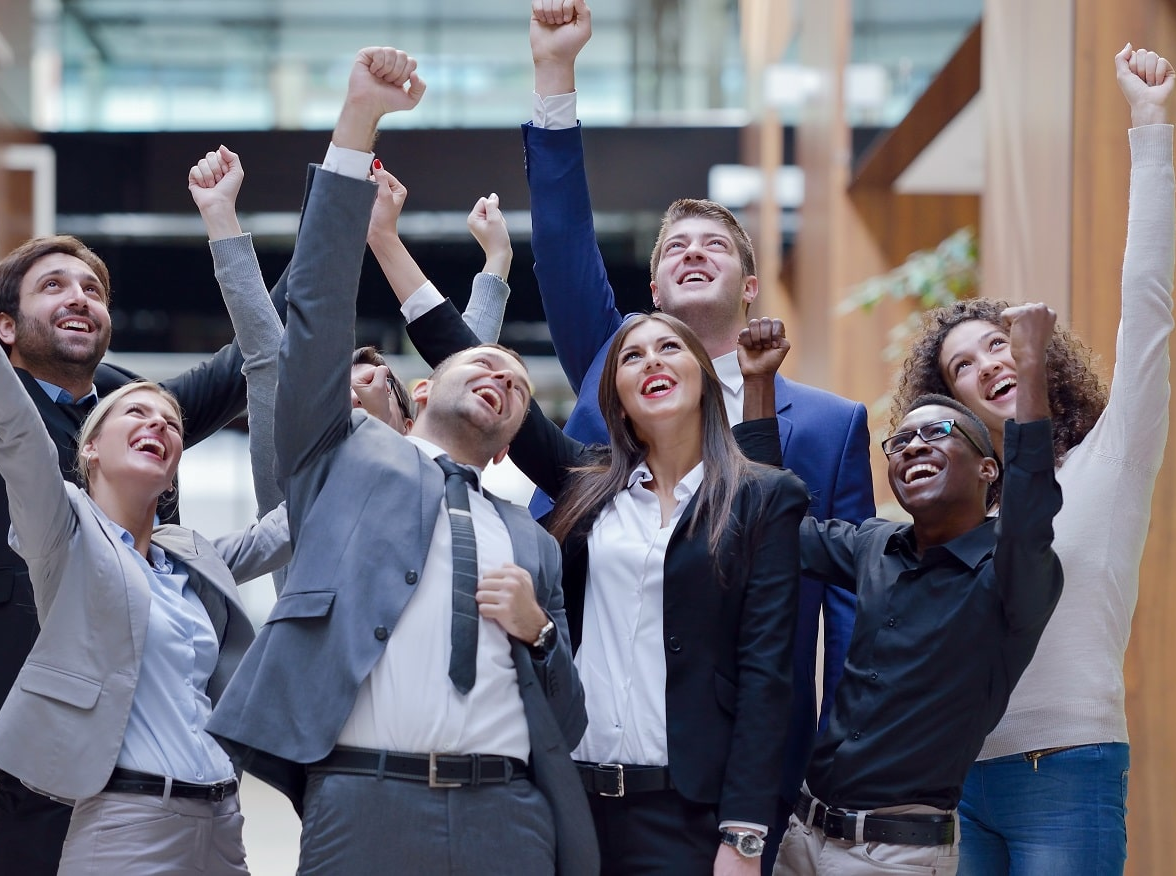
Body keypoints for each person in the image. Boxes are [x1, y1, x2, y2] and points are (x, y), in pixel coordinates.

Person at [203, 48, 596, 876]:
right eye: (481, 363)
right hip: (361, 803)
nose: (499, 374)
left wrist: (542, 631)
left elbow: (567, 720)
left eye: (520, 386)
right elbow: (309, 316)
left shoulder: (533, 545)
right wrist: (357, 124)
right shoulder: (337, 458)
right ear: (421, 392)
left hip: (509, 813)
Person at [0, 40, 253, 874]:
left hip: (169, 753)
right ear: (2, 327)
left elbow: (260, 356)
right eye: (53, 287)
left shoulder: (138, 413)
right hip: (43, 735)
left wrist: (339, 185)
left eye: (93, 291)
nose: (79, 297)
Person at [524, 4, 875, 855]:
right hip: (582, 756)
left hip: (744, 780)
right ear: (646, 298)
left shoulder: (829, 427)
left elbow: (851, 617)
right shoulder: (612, 382)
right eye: (673, 246)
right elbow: (566, 243)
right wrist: (555, 77)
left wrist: (828, 772)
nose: (690, 252)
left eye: (713, 245)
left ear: (750, 285)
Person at [402, 282, 807, 873]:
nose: (651, 363)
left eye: (669, 348)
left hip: (688, 812)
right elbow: (475, 364)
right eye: (632, 357)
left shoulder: (763, 499)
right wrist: (387, 240)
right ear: (617, 394)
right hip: (569, 802)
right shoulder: (586, 488)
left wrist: (744, 834)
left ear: (704, 378)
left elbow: (767, 674)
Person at [890, 45, 1176, 876]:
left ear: (1039, 356)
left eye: (999, 346)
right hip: (961, 780)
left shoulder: (1110, 460)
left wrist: (1149, 129)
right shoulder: (959, 517)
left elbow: (1148, 304)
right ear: (956, 409)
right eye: (965, 369)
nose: (990, 365)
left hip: (1070, 767)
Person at [736, 309, 1064, 876]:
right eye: (900, 441)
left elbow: (1032, 509)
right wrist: (759, 383)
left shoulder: (1012, 572)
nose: (912, 446)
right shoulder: (873, 545)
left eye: (936, 434)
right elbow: (770, 532)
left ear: (989, 469)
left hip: (893, 857)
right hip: (802, 834)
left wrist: (1030, 365)